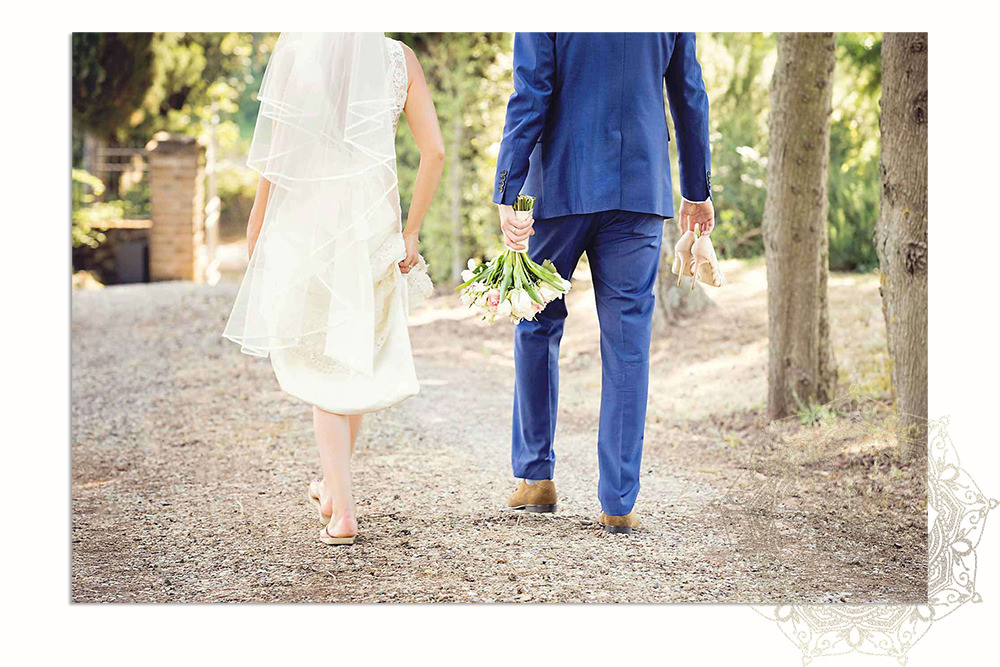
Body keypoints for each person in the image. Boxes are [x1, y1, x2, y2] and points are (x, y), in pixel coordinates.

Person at [223, 33, 445, 545]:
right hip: (371, 221)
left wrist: (257, 223)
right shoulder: (398, 59)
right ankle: (331, 487)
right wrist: (410, 230)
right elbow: (433, 152)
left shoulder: (302, 52)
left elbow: (276, 158)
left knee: (323, 365)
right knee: (353, 356)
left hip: (307, 223)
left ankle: (341, 510)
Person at [493, 33, 716, 533]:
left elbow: (531, 91)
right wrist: (697, 189)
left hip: (559, 183)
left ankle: (535, 475)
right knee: (628, 340)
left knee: (536, 322)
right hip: (638, 187)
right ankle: (618, 501)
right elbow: (688, 91)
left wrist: (507, 184)